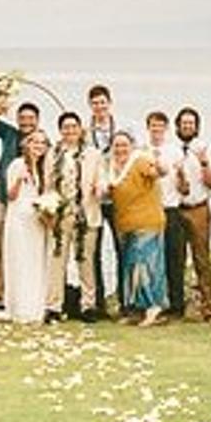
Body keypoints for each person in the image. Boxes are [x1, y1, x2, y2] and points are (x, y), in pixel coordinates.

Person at [46, 113, 103, 321]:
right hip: (61, 214)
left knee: (85, 261)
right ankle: (54, 305)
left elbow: (101, 179)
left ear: (80, 129)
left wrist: (99, 189)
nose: (70, 131)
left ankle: (88, 305)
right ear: (60, 131)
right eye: (65, 128)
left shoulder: (93, 154)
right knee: (57, 261)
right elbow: (48, 183)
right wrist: (49, 208)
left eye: (73, 127)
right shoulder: (54, 154)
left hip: (86, 213)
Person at [107, 131, 167, 326]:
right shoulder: (111, 167)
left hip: (147, 223)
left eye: (124, 145)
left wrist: (159, 164)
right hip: (125, 225)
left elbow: (158, 172)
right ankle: (135, 309)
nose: (120, 149)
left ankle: (153, 307)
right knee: (131, 267)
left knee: (145, 266)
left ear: (132, 146)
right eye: (116, 145)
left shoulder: (140, 160)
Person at [170, 107, 211, 321]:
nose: (187, 126)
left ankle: (209, 306)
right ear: (178, 126)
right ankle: (176, 306)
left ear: (196, 126)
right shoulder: (171, 150)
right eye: (184, 123)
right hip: (177, 209)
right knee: (176, 259)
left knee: (201, 258)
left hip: (199, 208)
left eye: (191, 123)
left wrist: (204, 162)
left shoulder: (205, 148)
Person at [1, 128, 51, 324]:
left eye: (42, 143)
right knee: (20, 260)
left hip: (36, 220)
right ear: (27, 144)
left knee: (36, 260)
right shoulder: (16, 164)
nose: (38, 146)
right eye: (35, 142)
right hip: (19, 218)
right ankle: (19, 307)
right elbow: (10, 196)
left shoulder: (42, 167)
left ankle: (36, 305)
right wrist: (20, 181)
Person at [144, 111, 186, 318]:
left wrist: (181, 175)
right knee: (152, 259)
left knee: (174, 257)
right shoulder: (142, 151)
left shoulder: (175, 152)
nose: (157, 129)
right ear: (148, 127)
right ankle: (154, 302)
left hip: (171, 208)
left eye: (160, 125)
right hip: (149, 210)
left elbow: (183, 186)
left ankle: (177, 304)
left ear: (166, 128)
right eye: (153, 125)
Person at [87, 83, 118, 314]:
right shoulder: (86, 133)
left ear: (109, 104)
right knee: (93, 252)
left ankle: (124, 300)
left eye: (103, 103)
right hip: (94, 201)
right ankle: (98, 303)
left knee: (121, 249)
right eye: (95, 103)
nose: (99, 107)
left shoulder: (122, 130)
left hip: (117, 199)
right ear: (90, 106)